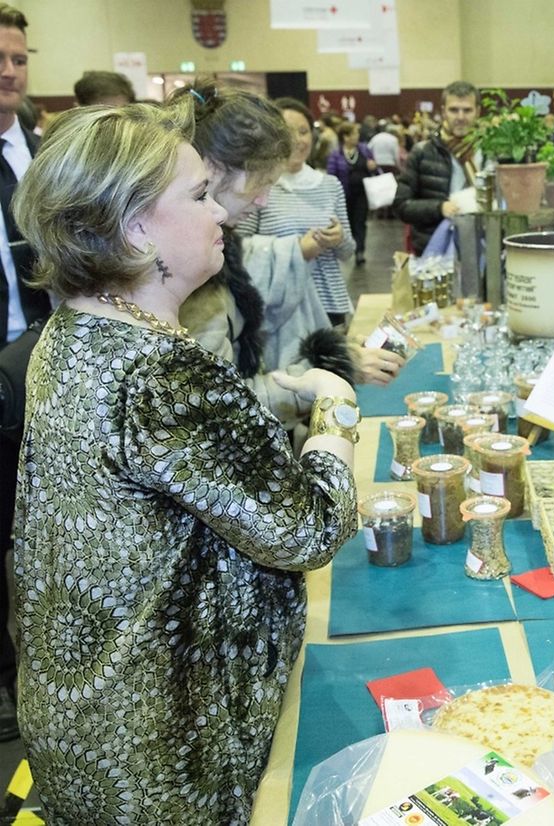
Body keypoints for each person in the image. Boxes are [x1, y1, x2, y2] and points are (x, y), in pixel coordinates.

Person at [11, 101, 358, 823]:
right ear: (135, 226)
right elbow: (308, 528)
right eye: (199, 197)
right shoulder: (159, 372)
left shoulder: (73, 332)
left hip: (93, 716)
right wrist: (335, 419)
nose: (222, 215)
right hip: (163, 736)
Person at [171, 82, 400, 432]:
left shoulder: (207, 251)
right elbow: (219, 409)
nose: (263, 199)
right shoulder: (189, 270)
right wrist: (330, 369)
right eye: (260, 182)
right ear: (214, 169)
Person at [0, 2, 43, 745]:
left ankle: (34, 679)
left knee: (36, 531)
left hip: (42, 351)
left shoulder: (41, 148)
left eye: (18, 60)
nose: (8, 72)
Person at [237, 98, 355, 327]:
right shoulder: (259, 185)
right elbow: (241, 249)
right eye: (287, 132)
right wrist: (297, 250)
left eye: (303, 131)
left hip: (329, 304)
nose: (297, 140)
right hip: (281, 309)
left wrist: (339, 239)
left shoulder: (330, 185)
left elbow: (348, 251)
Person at [393, 80, 480, 254]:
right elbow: (401, 206)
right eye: (454, 110)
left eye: (467, 110)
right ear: (443, 111)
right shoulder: (422, 152)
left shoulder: (491, 151)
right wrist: (439, 208)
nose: (461, 117)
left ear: (478, 111)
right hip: (434, 250)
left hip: (482, 245)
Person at [327, 120, 377, 264]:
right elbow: (331, 175)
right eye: (354, 134)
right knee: (348, 222)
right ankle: (351, 247)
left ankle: (360, 251)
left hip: (362, 193)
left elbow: (375, 166)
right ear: (345, 137)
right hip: (344, 195)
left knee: (360, 222)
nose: (357, 136)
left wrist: (372, 166)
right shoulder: (336, 155)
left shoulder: (364, 150)